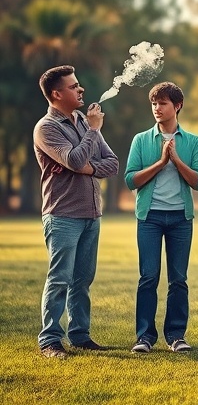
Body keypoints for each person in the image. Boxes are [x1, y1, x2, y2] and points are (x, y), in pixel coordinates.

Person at [33, 66, 119, 359]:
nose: (81, 90)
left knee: (82, 279)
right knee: (59, 279)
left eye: (79, 85)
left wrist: (85, 167)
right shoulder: (46, 128)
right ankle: (50, 341)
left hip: (91, 213)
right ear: (57, 94)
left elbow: (112, 163)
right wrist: (93, 132)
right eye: (74, 86)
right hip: (62, 215)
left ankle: (80, 335)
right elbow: (74, 157)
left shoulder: (82, 120)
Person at [124, 82, 198, 354]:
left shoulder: (193, 142)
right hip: (149, 217)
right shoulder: (141, 140)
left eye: (163, 103)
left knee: (178, 279)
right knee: (148, 277)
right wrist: (160, 163)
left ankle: (176, 335)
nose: (157, 108)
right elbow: (130, 180)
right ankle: (144, 337)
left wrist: (176, 160)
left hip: (181, 219)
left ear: (177, 106)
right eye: (154, 104)